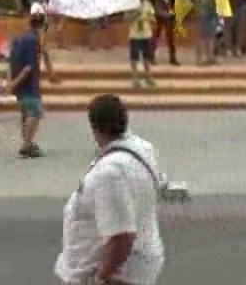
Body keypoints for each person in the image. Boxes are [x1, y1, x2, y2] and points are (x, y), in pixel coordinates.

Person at [55, 94, 164, 285]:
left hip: (114, 274)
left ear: (94, 128)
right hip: (136, 264)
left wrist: (101, 277)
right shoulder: (143, 149)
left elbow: (122, 236)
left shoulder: (111, 173)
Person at [8, 11, 48, 158]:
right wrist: (13, 83)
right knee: (36, 113)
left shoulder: (19, 38)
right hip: (28, 83)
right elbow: (29, 67)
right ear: (43, 26)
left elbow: (11, 60)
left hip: (18, 81)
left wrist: (11, 81)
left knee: (25, 113)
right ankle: (26, 144)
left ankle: (28, 142)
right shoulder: (34, 41)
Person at [149, 0, 179, 66]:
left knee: (170, 34)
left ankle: (172, 57)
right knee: (157, 32)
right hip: (159, 7)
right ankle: (151, 55)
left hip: (170, 8)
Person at [129, 0, 156, 88]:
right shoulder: (131, 4)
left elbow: (153, 17)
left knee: (147, 57)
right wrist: (135, 14)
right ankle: (135, 78)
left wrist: (149, 18)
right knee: (134, 57)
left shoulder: (148, 4)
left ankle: (148, 77)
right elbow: (126, 18)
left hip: (146, 34)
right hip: (135, 35)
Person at [195, 0, 218, 66]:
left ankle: (210, 56)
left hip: (210, 8)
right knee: (203, 34)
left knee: (210, 34)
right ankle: (200, 58)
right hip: (204, 9)